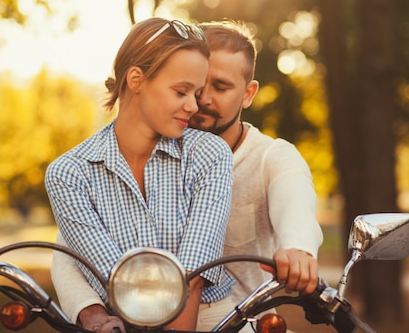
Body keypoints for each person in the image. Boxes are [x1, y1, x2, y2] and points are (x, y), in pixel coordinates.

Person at [51, 20, 323, 331]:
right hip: (136, 314)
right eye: (190, 87)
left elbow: (296, 205)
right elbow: (70, 252)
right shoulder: (86, 166)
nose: (199, 102)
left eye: (218, 87)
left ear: (248, 94)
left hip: (244, 315)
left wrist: (298, 249)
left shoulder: (268, 157)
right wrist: (92, 313)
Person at [45, 17, 235, 333]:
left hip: (209, 318)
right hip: (124, 322)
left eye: (196, 93)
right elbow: (117, 279)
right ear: (136, 79)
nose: (193, 106)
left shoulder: (209, 154)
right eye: (181, 91)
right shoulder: (68, 174)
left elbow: (194, 272)